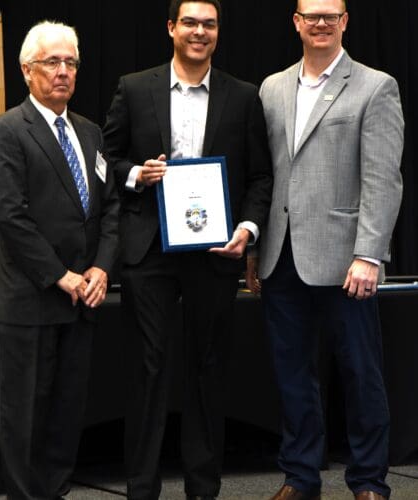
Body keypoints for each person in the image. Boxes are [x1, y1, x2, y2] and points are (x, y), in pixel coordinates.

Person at [102, 1, 273, 499]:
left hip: (215, 249)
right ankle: (141, 487)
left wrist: (247, 229)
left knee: (207, 368)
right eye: (191, 23)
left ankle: (203, 488)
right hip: (149, 248)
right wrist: (136, 174)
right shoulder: (134, 88)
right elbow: (105, 160)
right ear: (172, 28)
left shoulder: (243, 97)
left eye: (210, 24)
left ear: (218, 33)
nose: (200, 32)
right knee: (149, 369)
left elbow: (261, 176)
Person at [245, 0, 404, 499]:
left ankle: (369, 481)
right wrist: (254, 252)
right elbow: (267, 174)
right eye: (309, 15)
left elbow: (383, 178)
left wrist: (370, 254)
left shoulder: (376, 85)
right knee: (293, 375)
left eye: (329, 15)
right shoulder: (272, 87)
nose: (319, 22)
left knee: (360, 373)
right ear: (295, 22)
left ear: (344, 22)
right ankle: (300, 476)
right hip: (280, 255)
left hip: (345, 260)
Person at [0, 21, 119, 500]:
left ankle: (56, 491)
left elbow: (109, 210)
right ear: (26, 70)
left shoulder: (91, 133)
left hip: (83, 298)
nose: (63, 72)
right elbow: (10, 216)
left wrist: (101, 267)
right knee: (24, 417)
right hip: (33, 301)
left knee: (66, 414)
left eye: (71, 63)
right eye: (52, 62)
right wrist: (61, 276)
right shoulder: (5, 131)